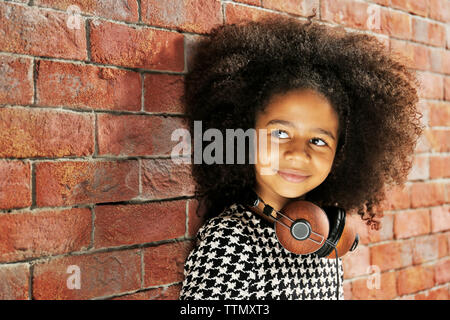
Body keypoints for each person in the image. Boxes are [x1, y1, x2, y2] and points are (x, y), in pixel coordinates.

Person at [178, 13, 423, 300]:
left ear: (342, 153)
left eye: (318, 140)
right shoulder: (231, 241)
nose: (297, 154)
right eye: (280, 133)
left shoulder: (324, 238)